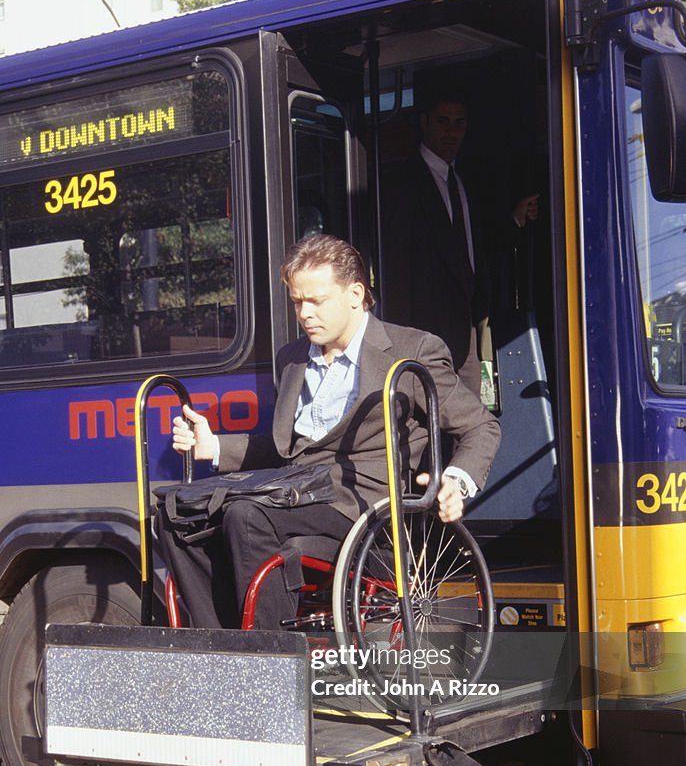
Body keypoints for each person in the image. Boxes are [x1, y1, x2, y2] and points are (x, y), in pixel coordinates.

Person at [159, 234, 500, 630]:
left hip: (363, 509)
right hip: (296, 494)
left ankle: (274, 656)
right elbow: (289, 450)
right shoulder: (291, 360)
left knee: (246, 514)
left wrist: (455, 481)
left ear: (355, 294)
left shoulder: (412, 350)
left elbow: (480, 425)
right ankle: (223, 645)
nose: (304, 313)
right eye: (297, 302)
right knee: (175, 515)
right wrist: (215, 446)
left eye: (316, 301)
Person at [381, 86, 491, 395]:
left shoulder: (462, 182)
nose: (452, 131)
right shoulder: (402, 185)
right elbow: (397, 270)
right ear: (425, 123)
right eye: (443, 121)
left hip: (468, 334)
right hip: (425, 337)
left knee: (472, 423)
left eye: (460, 122)